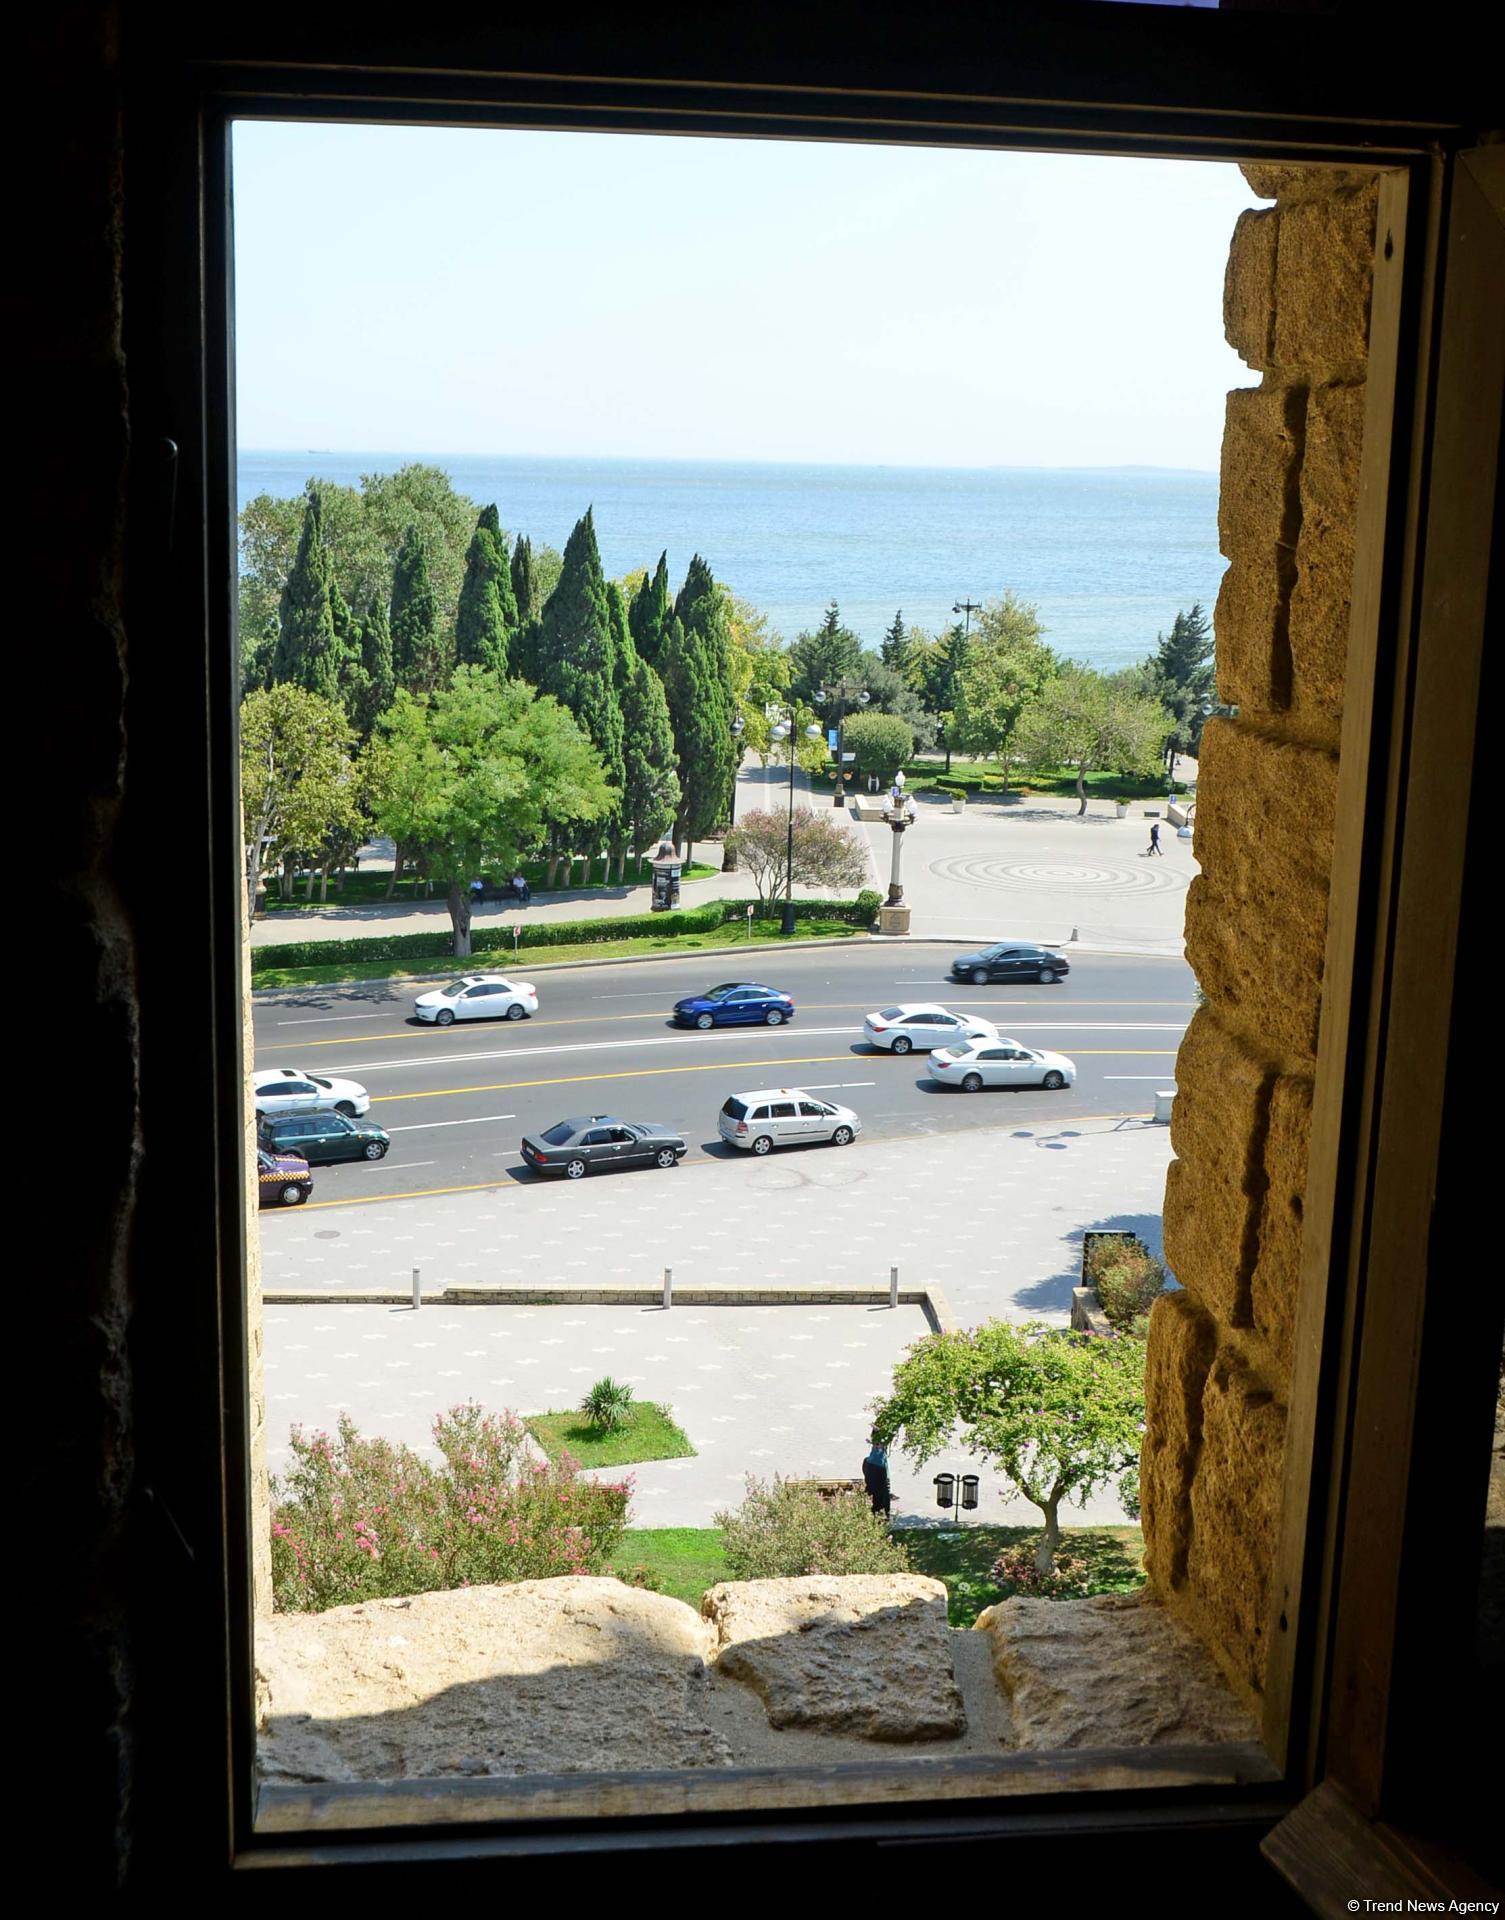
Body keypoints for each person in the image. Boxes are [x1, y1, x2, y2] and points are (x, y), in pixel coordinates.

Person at [861, 1436, 892, 1519]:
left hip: (873, 1471)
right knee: (880, 1496)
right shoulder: (878, 1460)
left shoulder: (869, 1460)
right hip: (876, 1471)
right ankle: (880, 1515)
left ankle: (877, 1514)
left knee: (877, 1495)